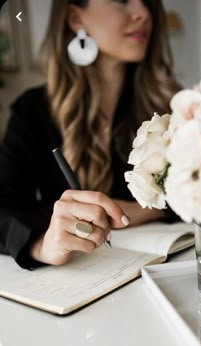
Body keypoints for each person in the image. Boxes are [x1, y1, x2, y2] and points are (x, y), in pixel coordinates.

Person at [0, 0, 180, 270]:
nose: (143, 13)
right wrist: (41, 244)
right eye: (121, 0)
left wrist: (140, 210)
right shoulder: (32, 111)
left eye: (147, 1)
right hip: (77, 275)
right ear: (75, 17)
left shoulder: (172, 107)